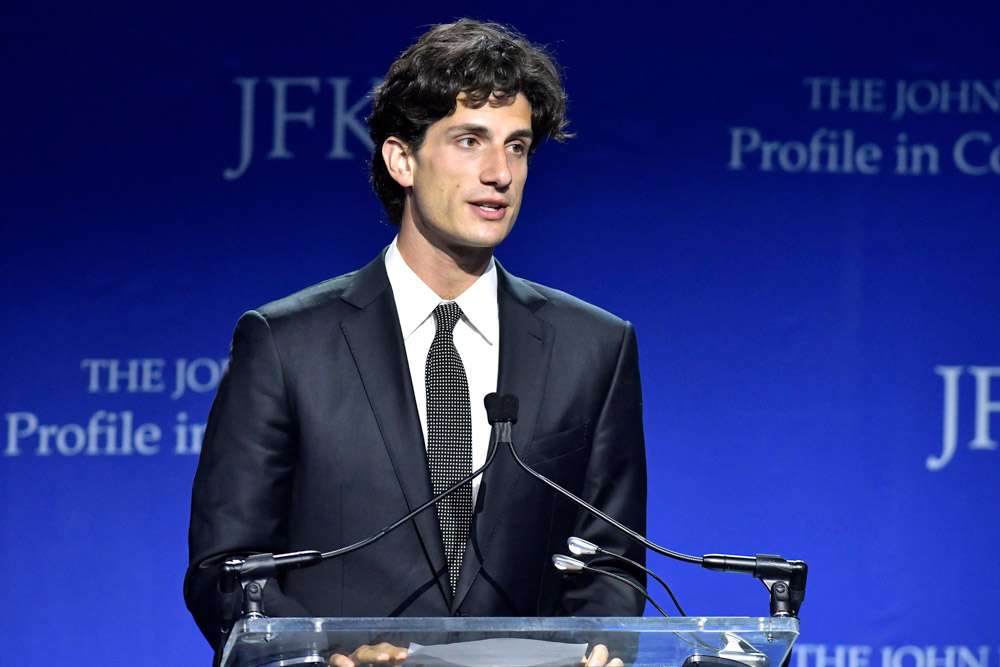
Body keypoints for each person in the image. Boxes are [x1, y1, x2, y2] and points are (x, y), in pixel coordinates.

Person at [184, 18, 647, 663]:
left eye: (517, 147)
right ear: (402, 159)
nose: (500, 173)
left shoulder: (593, 347)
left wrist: (595, 647)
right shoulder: (285, 346)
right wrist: (325, 658)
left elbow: (610, 564)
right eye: (470, 140)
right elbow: (228, 569)